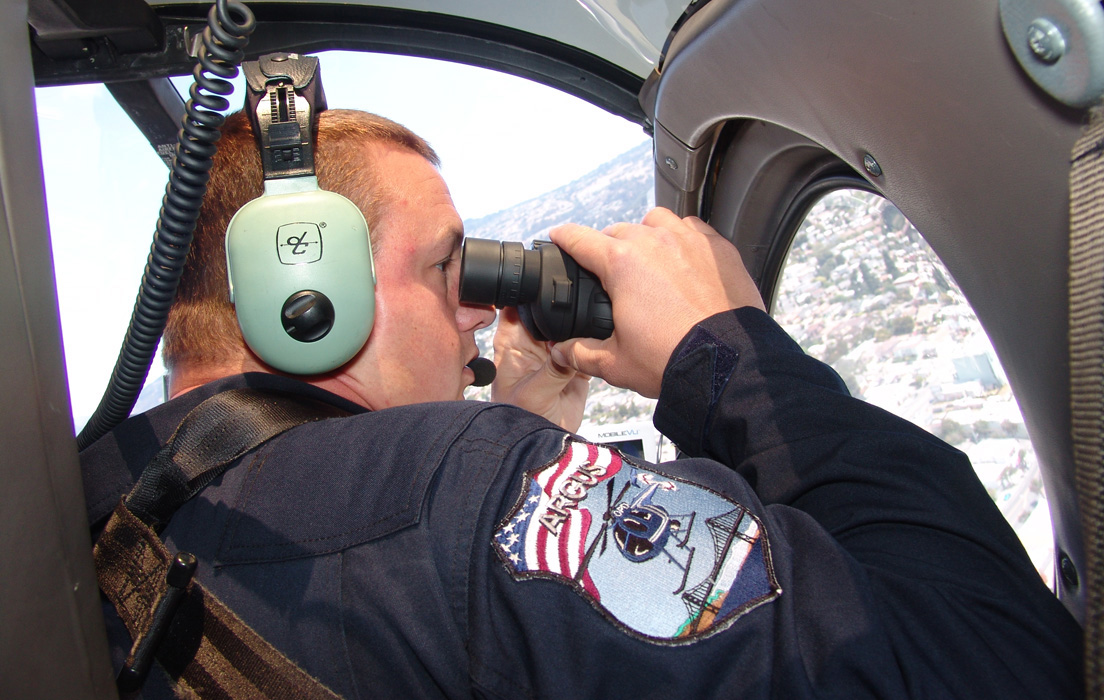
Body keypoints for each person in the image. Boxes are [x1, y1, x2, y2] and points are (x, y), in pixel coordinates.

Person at [80, 107, 1082, 699]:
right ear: (309, 297)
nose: (477, 308)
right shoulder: (457, 489)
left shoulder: (97, 507)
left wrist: (527, 441)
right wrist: (723, 348)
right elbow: (1000, 661)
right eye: (444, 264)